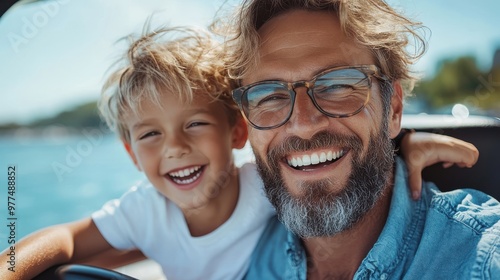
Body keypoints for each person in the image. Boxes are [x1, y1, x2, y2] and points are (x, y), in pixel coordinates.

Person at [0, 26, 479, 280]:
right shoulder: (142, 211)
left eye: (194, 124)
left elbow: (335, 166)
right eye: (149, 136)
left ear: (237, 132)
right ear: (130, 153)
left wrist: (403, 143)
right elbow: (64, 238)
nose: (175, 148)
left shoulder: (265, 186)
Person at [219, 0, 500, 279]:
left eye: (338, 85)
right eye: (269, 96)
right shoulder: (242, 247)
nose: (303, 125)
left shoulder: (483, 256)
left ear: (393, 110)